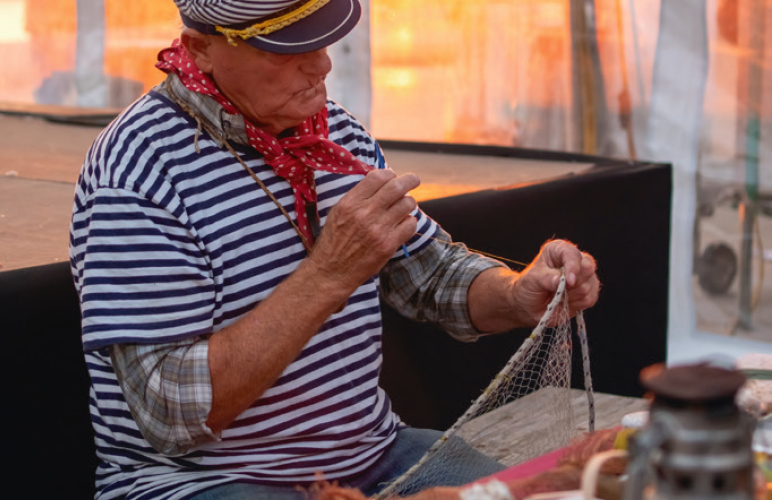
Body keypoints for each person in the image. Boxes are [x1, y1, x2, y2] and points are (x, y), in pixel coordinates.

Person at [69, 1, 600, 499]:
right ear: (201, 47)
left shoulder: (333, 132)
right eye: (287, 48)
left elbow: (430, 274)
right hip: (208, 482)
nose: (321, 65)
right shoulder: (139, 172)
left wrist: (517, 293)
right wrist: (328, 274)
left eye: (324, 41)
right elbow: (172, 412)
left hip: (373, 454)